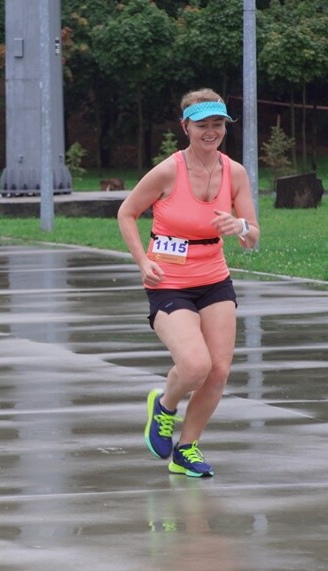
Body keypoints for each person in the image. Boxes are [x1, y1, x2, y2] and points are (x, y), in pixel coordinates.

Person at [117, 89, 258, 478]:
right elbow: (127, 213)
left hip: (214, 280)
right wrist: (142, 261)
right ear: (186, 127)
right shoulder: (168, 171)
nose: (211, 132)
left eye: (218, 124)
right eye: (202, 125)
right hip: (168, 281)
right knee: (195, 365)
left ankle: (186, 450)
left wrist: (239, 226)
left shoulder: (235, 173)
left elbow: (251, 237)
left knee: (218, 371)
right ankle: (164, 406)